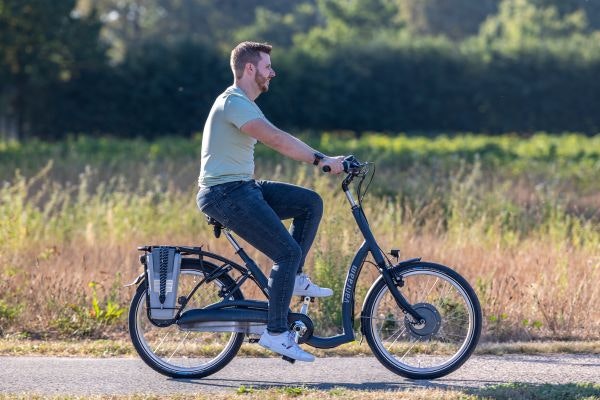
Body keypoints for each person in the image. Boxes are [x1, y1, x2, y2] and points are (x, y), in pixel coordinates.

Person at [196, 41, 345, 362]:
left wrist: (325, 158)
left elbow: (278, 135)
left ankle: (295, 279)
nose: (272, 73)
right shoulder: (233, 102)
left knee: (309, 203)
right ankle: (277, 333)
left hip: (241, 187)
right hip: (225, 193)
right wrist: (321, 159)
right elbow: (276, 138)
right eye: (267, 67)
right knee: (286, 251)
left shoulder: (243, 103)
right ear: (250, 69)